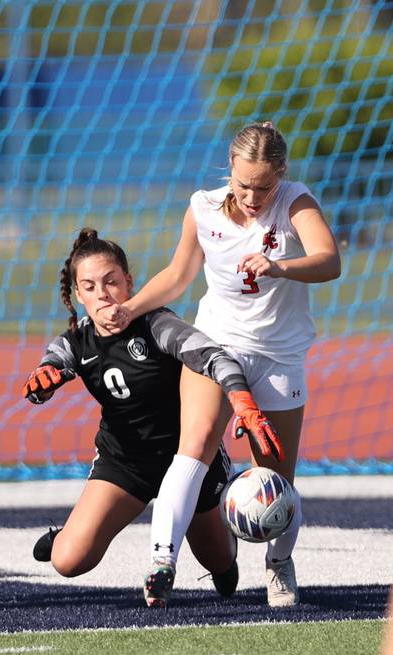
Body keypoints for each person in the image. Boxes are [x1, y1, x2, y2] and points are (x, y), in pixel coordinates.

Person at [95, 122, 340, 607]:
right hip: (215, 344)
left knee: (276, 477)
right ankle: (162, 562)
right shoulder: (202, 207)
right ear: (229, 169)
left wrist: (279, 266)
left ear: (282, 175)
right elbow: (177, 275)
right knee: (196, 444)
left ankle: (278, 565)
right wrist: (132, 308)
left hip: (278, 355)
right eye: (243, 183)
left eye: (264, 186)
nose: (252, 195)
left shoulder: (295, 202)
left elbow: (330, 260)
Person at [23, 227, 284, 608]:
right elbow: (50, 368)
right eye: (91, 287)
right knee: (68, 561)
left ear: (129, 282)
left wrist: (241, 399)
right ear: (78, 295)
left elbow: (214, 356)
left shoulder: (156, 324)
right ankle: (68, 533)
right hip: (125, 462)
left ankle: (223, 549)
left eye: (111, 281)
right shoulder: (74, 341)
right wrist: (42, 385)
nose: (103, 294)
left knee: (220, 565)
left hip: (189, 459)